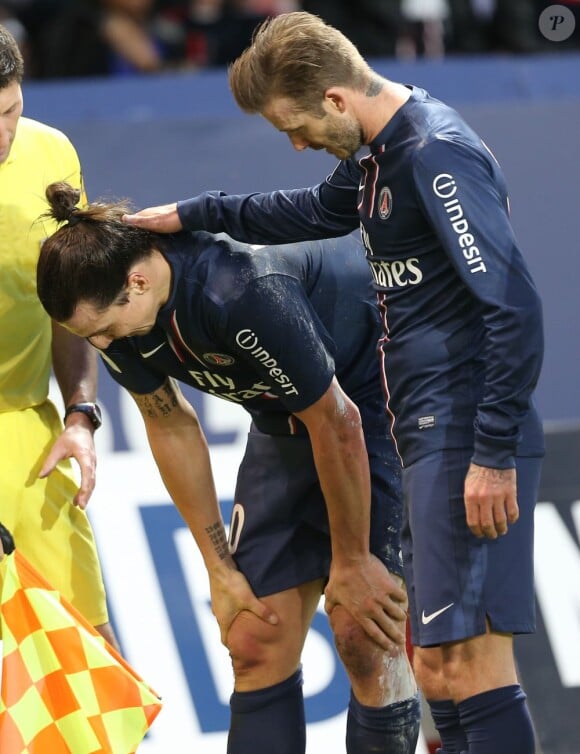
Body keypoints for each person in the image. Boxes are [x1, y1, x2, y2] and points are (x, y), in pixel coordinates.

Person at [122, 11, 545, 754]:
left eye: (296, 126)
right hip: (427, 433)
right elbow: (315, 212)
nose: (295, 144)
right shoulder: (381, 157)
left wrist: (494, 450)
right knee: (442, 672)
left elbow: (512, 305)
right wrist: (198, 214)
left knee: (468, 667)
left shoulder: (433, 154)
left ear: (337, 102)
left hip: (464, 432)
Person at [36, 181, 421, 754]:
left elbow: (337, 423)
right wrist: (219, 571)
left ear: (137, 282)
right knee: (251, 634)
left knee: (363, 633)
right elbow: (169, 424)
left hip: (376, 401)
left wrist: (353, 561)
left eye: (104, 330)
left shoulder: (238, 291)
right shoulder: (116, 312)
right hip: (288, 415)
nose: (102, 344)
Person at [0, 24, 117, 647]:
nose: (3, 136)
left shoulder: (51, 153)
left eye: (11, 111)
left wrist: (79, 413)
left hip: (30, 429)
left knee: (91, 665)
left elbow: (64, 305)